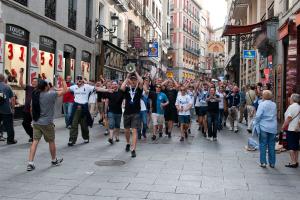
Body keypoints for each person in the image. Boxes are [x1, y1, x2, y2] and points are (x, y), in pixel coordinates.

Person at [27, 78, 67, 171]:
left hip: (36, 122)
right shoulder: (51, 94)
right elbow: (65, 90)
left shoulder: (35, 94)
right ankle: (53, 160)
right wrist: (63, 81)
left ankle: (30, 163)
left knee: (35, 141)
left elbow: (31, 108)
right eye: (48, 84)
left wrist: (33, 120)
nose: (49, 85)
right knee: (51, 141)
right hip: (47, 123)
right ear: (45, 87)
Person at [67, 75, 111, 146]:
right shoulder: (74, 87)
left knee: (84, 124)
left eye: (80, 79)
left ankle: (86, 137)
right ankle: (72, 140)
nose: (79, 80)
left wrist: (107, 90)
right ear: (75, 80)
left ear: (82, 80)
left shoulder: (87, 87)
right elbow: (66, 89)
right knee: (73, 124)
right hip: (76, 107)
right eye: (77, 79)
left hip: (84, 107)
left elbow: (97, 88)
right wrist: (56, 90)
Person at [121, 72, 144, 157]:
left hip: (136, 113)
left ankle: (133, 149)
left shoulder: (139, 89)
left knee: (134, 130)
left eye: (134, 80)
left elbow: (141, 82)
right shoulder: (127, 89)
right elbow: (122, 88)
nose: (133, 81)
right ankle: (128, 143)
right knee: (127, 130)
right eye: (132, 80)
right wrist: (127, 77)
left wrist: (136, 72)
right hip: (127, 113)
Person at [253, 90, 277, 168]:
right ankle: (272, 163)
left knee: (263, 144)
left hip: (264, 126)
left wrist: (255, 123)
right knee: (271, 145)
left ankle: (263, 162)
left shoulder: (262, 104)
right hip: (273, 127)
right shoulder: (274, 104)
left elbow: (258, 116)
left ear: (264, 96)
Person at [282, 93, 300, 168]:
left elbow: (289, 118)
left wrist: (283, 126)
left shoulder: (291, 107)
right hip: (298, 129)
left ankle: (293, 162)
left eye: (290, 97)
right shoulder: (299, 106)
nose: (289, 99)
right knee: (296, 146)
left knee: (291, 146)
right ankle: (296, 161)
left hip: (291, 128)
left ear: (293, 99)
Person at [19, 68, 38, 142]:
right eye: (33, 81)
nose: (33, 82)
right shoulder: (29, 88)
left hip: (34, 110)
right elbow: (21, 84)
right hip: (26, 110)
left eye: (35, 81)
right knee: (25, 123)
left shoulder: (39, 90)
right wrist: (21, 74)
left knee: (35, 124)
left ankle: (34, 136)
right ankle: (32, 135)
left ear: (38, 83)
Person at [0, 74, 17, 144]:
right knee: (9, 125)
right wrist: (13, 108)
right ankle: (10, 140)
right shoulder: (7, 87)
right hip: (6, 110)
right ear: (4, 79)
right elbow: (13, 99)